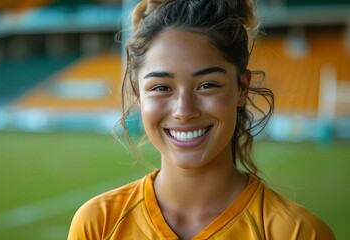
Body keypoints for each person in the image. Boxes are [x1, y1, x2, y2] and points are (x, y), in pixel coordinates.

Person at [68, 0, 335, 239]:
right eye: (161, 87)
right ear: (138, 95)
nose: (184, 111)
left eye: (207, 85)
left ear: (241, 88)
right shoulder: (98, 224)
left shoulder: (298, 232)